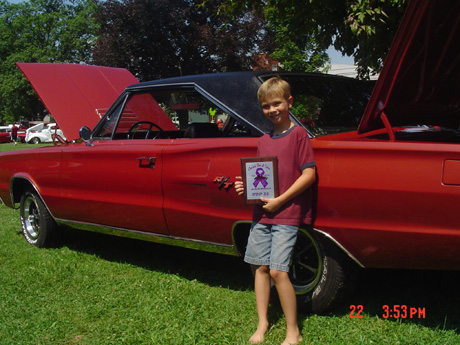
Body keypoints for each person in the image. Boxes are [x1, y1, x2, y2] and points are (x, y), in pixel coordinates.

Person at [235, 77, 316, 345]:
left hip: (287, 213)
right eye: (267, 106)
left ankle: (293, 331)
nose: (273, 110)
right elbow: (262, 177)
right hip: (262, 215)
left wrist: (280, 200)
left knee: (279, 271)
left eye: (277, 103)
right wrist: (245, 186)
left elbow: (309, 175)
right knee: (258, 267)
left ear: (289, 102)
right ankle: (263, 322)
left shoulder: (299, 135)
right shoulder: (263, 140)